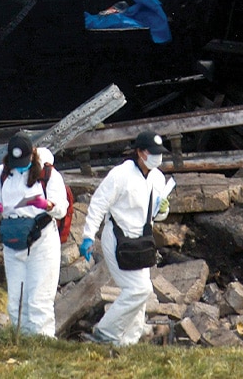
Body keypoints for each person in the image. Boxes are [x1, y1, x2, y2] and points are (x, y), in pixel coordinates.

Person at [79, 131, 173, 346]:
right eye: (152, 152)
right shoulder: (120, 174)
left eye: (159, 153)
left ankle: (128, 342)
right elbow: (98, 204)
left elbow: (157, 213)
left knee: (139, 294)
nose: (157, 157)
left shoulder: (157, 177)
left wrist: (163, 211)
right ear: (140, 152)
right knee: (139, 290)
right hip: (118, 239)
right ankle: (106, 333)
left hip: (142, 243)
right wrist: (88, 236)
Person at [0, 134, 68, 336]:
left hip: (42, 240)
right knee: (16, 300)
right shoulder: (3, 172)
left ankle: (43, 341)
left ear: (33, 155)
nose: (19, 166)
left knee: (39, 297)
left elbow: (62, 209)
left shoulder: (48, 174)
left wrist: (47, 205)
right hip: (13, 241)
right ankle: (20, 340)